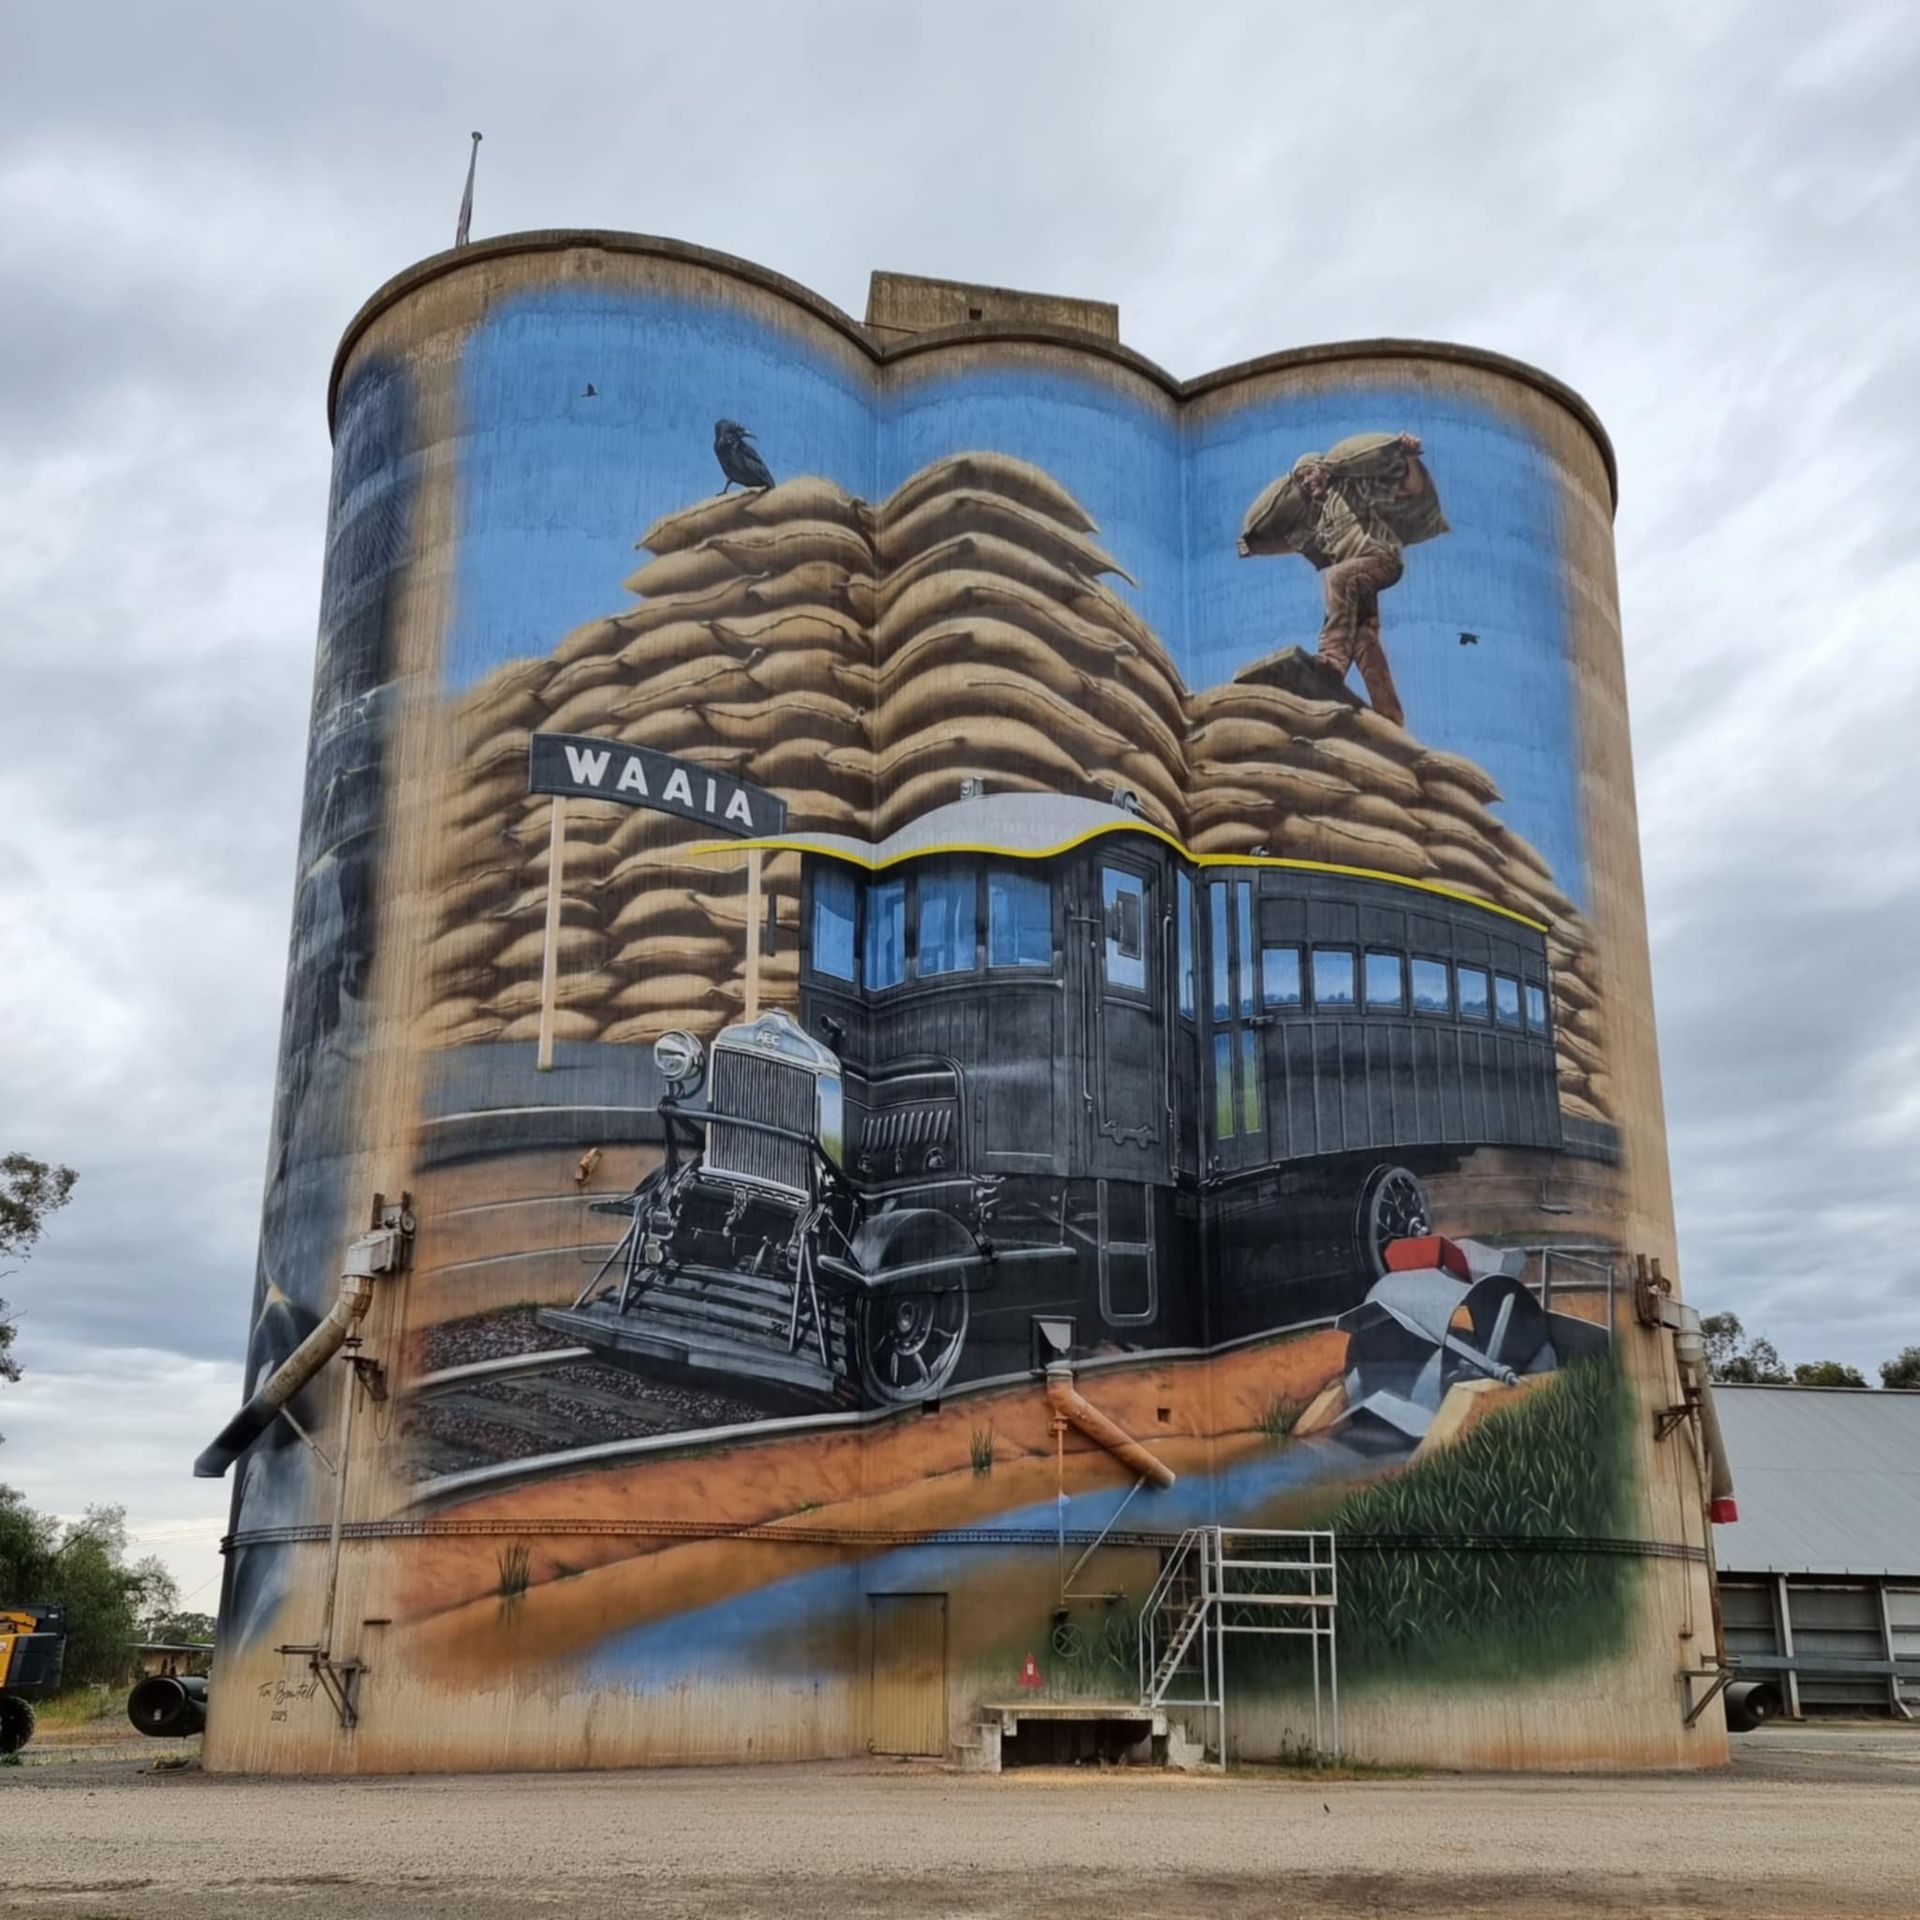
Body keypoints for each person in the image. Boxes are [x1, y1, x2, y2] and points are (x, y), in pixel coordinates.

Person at [1237, 431, 1448, 726]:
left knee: (1335, 578)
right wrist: (1257, 548)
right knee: (1364, 639)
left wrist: (1410, 457)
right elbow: (1293, 543)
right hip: (1357, 581)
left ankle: (1332, 661)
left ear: (1324, 469)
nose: (1307, 482)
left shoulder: (1353, 490)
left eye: (1309, 473)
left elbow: (1409, 489)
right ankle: (1390, 714)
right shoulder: (1316, 519)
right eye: (1301, 479)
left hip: (1381, 561)